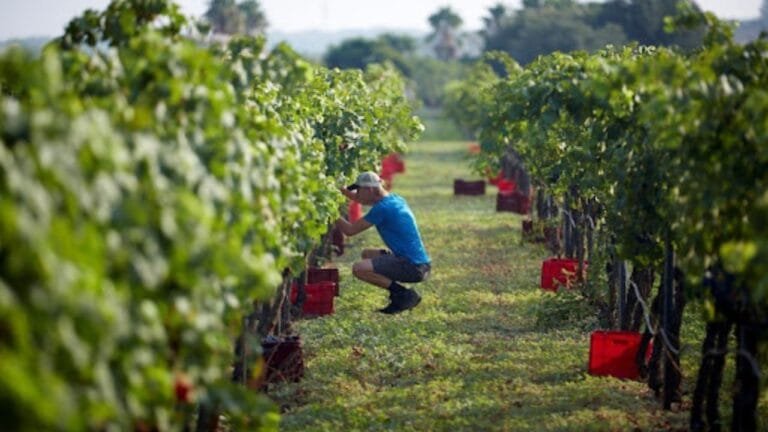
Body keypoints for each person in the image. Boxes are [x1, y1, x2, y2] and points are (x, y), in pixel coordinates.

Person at [335, 171, 431, 314]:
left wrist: (331, 212)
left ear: (369, 189)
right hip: (422, 264)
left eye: (359, 190)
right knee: (366, 254)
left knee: (359, 268)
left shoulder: (382, 209)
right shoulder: (394, 199)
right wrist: (342, 191)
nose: (357, 194)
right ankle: (395, 276)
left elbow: (349, 230)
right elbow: (360, 199)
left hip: (413, 267)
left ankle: (402, 295)